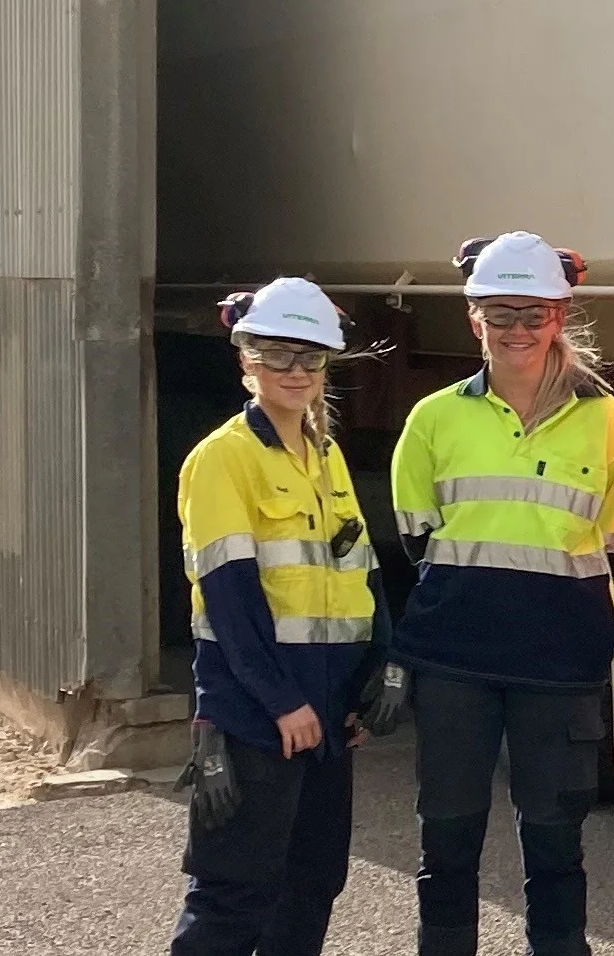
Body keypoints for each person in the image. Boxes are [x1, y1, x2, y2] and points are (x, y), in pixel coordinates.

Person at [391, 233, 614, 956]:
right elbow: (416, 537)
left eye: (533, 313)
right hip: (455, 663)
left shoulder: (604, 419)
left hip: (558, 667)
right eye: (501, 314)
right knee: (448, 843)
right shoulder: (433, 419)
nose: (518, 330)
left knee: (557, 845)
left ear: (560, 314)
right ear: (475, 318)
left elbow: (612, 538)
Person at [171, 276, 397, 956]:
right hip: (256, 712)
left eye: (310, 356)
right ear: (246, 359)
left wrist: (375, 674)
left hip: (324, 712)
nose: (295, 371)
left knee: (312, 883)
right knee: (234, 895)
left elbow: (360, 571)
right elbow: (232, 599)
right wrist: (282, 700)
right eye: (276, 355)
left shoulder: (323, 455)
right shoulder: (223, 459)